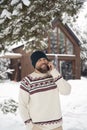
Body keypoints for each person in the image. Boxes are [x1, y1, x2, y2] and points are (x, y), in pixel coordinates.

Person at [18, 50, 71, 130]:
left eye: (44, 59)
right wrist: (30, 126)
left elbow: (66, 91)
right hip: (38, 127)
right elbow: (22, 105)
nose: (43, 62)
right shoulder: (27, 81)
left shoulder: (54, 75)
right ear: (34, 64)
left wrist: (54, 71)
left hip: (57, 127)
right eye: (39, 60)